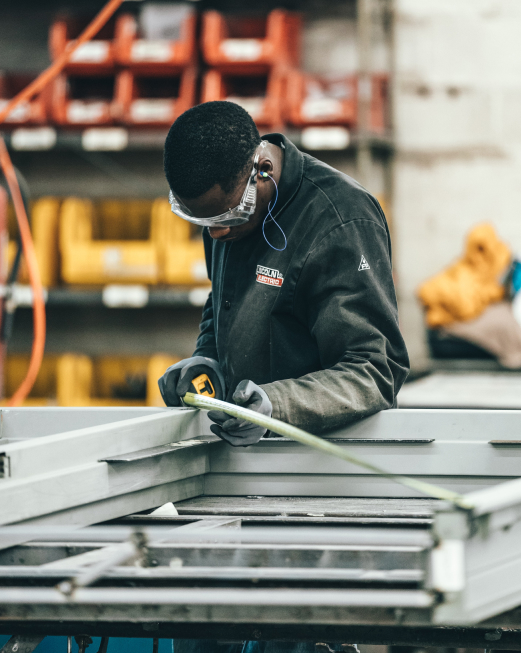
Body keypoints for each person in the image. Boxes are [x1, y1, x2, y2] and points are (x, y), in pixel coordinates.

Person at [159, 101, 409, 653]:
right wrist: (205, 362)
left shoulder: (340, 219)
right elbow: (222, 301)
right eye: (203, 224)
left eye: (225, 219)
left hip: (316, 491)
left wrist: (276, 406)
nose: (216, 236)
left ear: (258, 174)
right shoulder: (223, 206)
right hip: (235, 485)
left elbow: (375, 367)